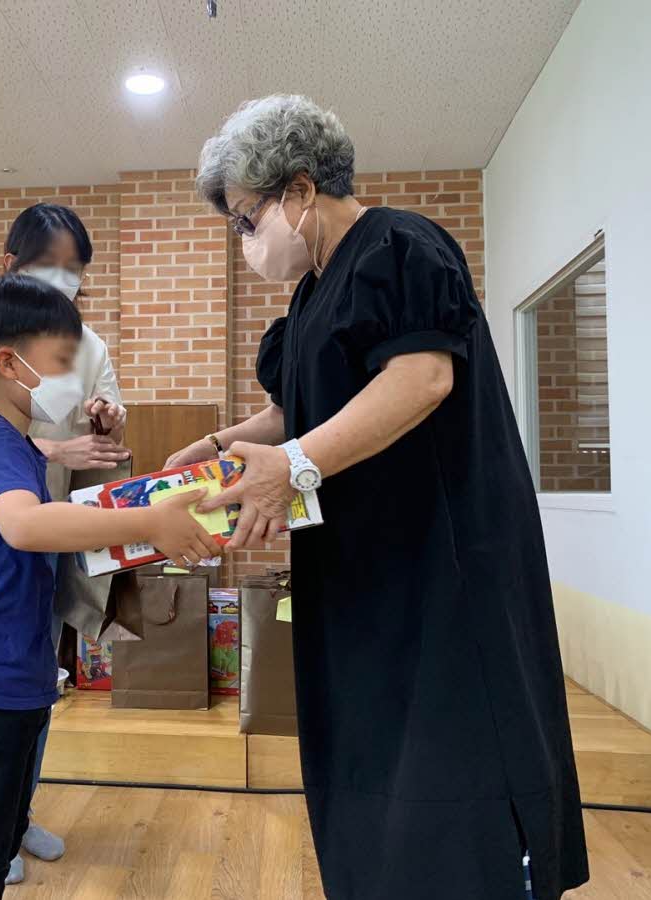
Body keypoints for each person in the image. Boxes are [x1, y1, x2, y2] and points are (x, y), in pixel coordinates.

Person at [167, 95, 589, 900]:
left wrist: (293, 465)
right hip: (360, 565)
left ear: (299, 188)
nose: (246, 239)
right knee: (366, 751)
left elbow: (421, 377)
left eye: (248, 219)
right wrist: (219, 448)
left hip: (439, 558)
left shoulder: (399, 247)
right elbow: (301, 407)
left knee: (448, 756)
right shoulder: (308, 298)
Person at [0, 273, 215, 900]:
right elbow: (25, 525)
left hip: (13, 677)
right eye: (60, 361)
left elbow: (61, 522)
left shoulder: (20, 441)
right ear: (8, 363)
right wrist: (147, 522)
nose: (71, 379)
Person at [0, 202, 128, 885]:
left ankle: (12, 817)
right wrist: (141, 522)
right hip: (6, 523)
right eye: (53, 262)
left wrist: (104, 420)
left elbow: (105, 416)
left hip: (53, 522)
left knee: (33, 677)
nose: (67, 276)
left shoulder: (79, 341)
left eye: (77, 266)